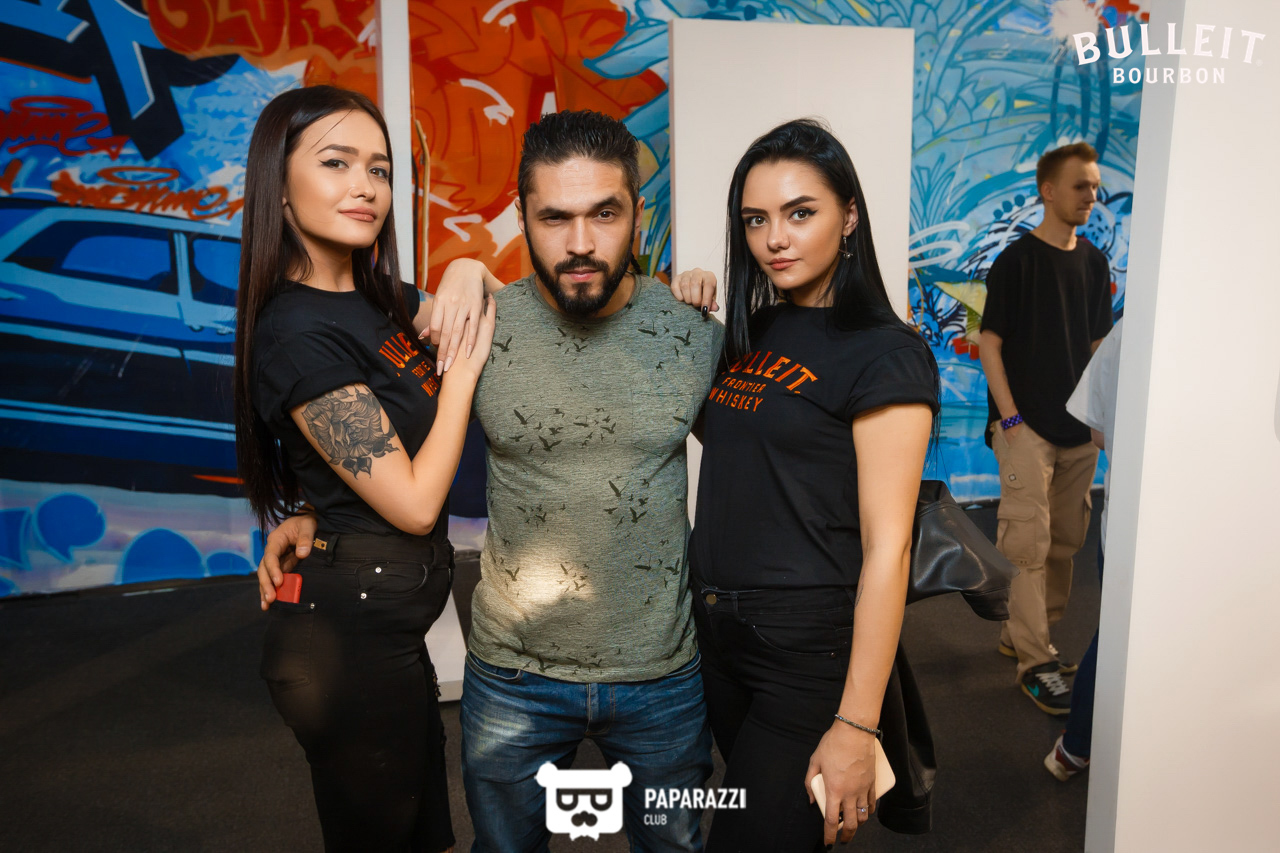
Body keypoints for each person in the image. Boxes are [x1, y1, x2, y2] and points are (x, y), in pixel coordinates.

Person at [259, 109, 724, 852]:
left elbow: (767, 463)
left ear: (638, 212)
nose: (580, 242)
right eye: (554, 217)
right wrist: (324, 509)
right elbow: (386, 447)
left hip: (662, 676)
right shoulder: (471, 326)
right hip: (512, 678)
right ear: (522, 216)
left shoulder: (692, 330)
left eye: (605, 213)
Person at [235, 85, 500, 852]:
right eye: (336, 162)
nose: (365, 187)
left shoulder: (377, 298)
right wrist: (460, 378)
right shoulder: (296, 331)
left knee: (426, 837)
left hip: (389, 633)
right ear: (279, 185)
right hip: (342, 644)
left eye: (379, 169)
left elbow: (489, 303)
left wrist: (467, 266)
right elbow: (415, 503)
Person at [672, 119, 939, 852]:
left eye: (799, 212)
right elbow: (747, 445)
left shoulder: (886, 353)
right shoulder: (755, 329)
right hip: (716, 635)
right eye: (755, 219)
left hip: (805, 650)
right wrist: (684, 315)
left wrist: (856, 725)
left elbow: (889, 549)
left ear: (848, 216)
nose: (774, 239)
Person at [978, 141, 1114, 715]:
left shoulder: (1095, 263)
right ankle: (1036, 662)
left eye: (1095, 186)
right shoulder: (1017, 262)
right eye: (1081, 185)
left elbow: (1098, 346)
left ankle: (1028, 635)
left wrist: (1103, 417)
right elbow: (989, 343)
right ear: (1048, 190)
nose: (1092, 195)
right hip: (1025, 427)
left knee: (1065, 543)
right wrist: (1009, 419)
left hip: (1079, 430)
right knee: (1027, 548)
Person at [1045, 317, 1124, 780]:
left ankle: (1077, 747)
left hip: (1128, 521)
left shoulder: (1128, 329)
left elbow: (1098, 432)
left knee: (1115, 631)